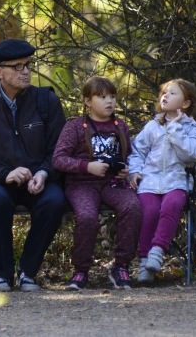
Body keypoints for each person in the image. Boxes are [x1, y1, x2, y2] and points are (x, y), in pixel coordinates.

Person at [0, 39, 67, 292]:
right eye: (17, 67)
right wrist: (5, 173)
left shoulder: (46, 100)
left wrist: (43, 172)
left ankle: (28, 272)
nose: (26, 71)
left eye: (28, 65)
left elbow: (60, 148)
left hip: (40, 177)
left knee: (54, 201)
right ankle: (3, 275)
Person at [52, 76, 142, 290]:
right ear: (87, 101)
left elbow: (129, 155)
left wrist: (126, 171)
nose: (109, 101)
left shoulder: (121, 126)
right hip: (82, 184)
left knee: (133, 207)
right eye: (102, 97)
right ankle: (81, 270)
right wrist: (86, 166)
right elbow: (58, 159)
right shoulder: (74, 126)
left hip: (113, 183)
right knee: (87, 216)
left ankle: (121, 266)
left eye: (112, 96)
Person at [128, 78, 196, 284]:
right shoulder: (152, 126)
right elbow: (137, 151)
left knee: (171, 206)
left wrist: (176, 128)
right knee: (149, 212)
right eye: (164, 92)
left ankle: (157, 252)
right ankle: (145, 263)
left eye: (172, 93)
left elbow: (190, 155)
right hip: (150, 182)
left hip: (177, 181)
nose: (165, 96)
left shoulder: (192, 129)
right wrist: (134, 171)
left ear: (185, 104)